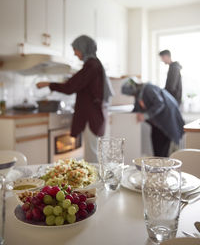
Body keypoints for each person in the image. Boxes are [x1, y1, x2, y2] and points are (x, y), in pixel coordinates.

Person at [37, 35, 113, 163]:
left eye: (76, 49)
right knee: (96, 153)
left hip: (92, 116)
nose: (74, 53)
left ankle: (95, 182)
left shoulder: (91, 65)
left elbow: (70, 87)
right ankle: (97, 180)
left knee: (92, 155)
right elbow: (79, 83)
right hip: (96, 115)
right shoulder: (94, 64)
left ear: (83, 48)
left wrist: (48, 84)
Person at [121, 77, 184, 157]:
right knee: (157, 150)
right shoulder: (138, 95)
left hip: (167, 121)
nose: (132, 96)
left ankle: (161, 168)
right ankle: (158, 167)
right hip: (157, 124)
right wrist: (125, 119)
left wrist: (145, 115)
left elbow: (160, 104)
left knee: (162, 152)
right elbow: (136, 110)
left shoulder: (149, 89)